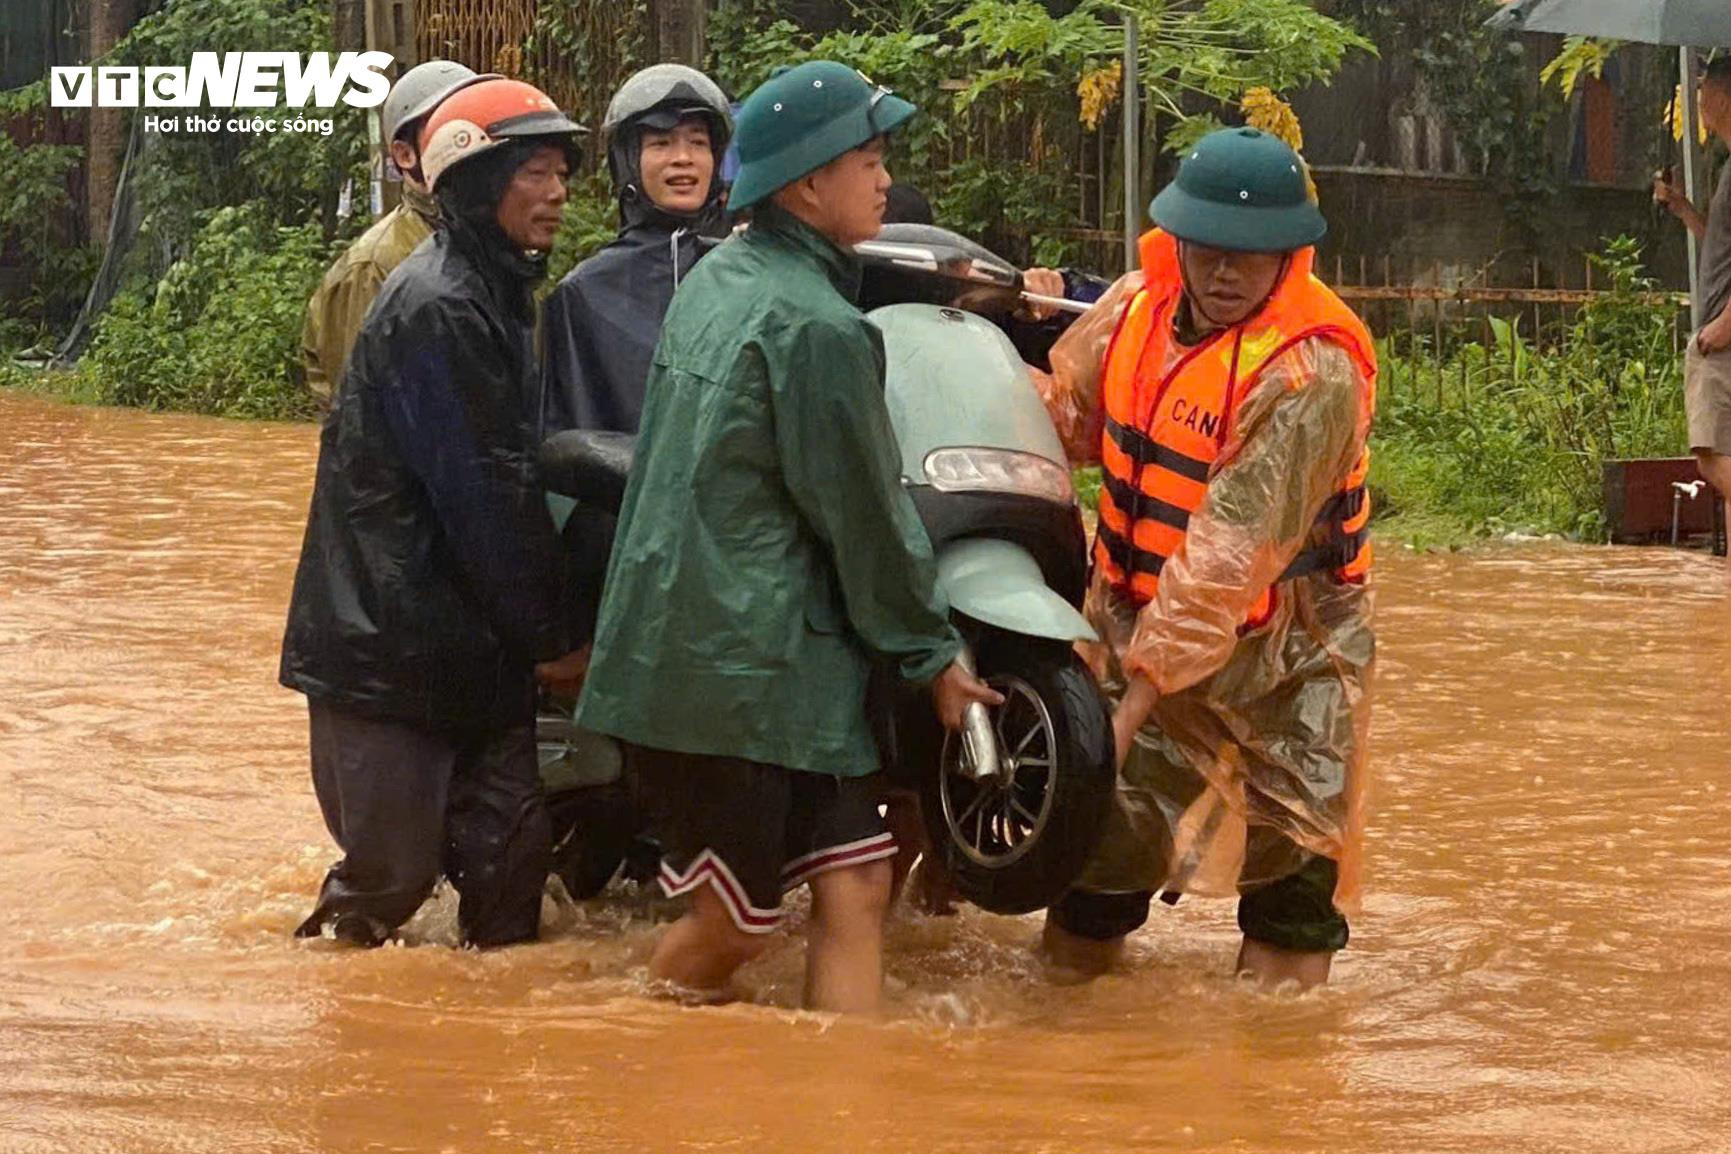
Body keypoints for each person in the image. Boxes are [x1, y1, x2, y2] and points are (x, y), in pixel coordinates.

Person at [575, 61, 1001, 1013]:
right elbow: (860, 514)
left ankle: (840, 1101)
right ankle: (601, 1046)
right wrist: (932, 653)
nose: (886, 182)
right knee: (735, 922)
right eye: (870, 160)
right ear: (810, 185)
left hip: (735, 661)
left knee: (857, 881)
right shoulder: (817, 326)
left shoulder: (722, 275)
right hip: (736, 676)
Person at [1032, 127, 1377, 989]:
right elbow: (1066, 420)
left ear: (1288, 257)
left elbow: (1226, 560)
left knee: (1290, 897)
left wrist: (1121, 717)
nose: (1226, 275)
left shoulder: (1309, 376)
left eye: (1250, 258)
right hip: (1132, 625)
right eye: (1209, 252)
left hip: (1289, 663)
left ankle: (1272, 1104)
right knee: (1092, 882)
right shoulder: (1133, 310)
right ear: (1177, 241)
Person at [280, 78, 591, 949]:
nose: (559, 190)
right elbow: (486, 496)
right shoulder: (441, 305)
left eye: (563, 170)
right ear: (476, 183)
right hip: (389, 651)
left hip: (471, 648)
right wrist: (554, 639)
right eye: (535, 170)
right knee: (389, 879)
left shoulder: (493, 292)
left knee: (509, 875)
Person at [540, 64, 733, 438]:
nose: (683, 158)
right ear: (627, 161)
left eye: (698, 142)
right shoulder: (584, 294)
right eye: (661, 143)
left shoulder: (741, 272)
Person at [299, 59, 481, 413]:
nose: (468, 144)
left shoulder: (498, 246)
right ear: (405, 153)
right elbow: (364, 410)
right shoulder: (373, 267)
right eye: (448, 130)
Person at [1655, 56, 1731, 578]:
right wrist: (1684, 210)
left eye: (1703, 90)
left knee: (1712, 457)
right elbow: (1721, 250)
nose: (1697, 100)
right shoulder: (1728, 168)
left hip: (1722, 339)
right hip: (1720, 333)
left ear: (1724, 99)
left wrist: (1720, 330)